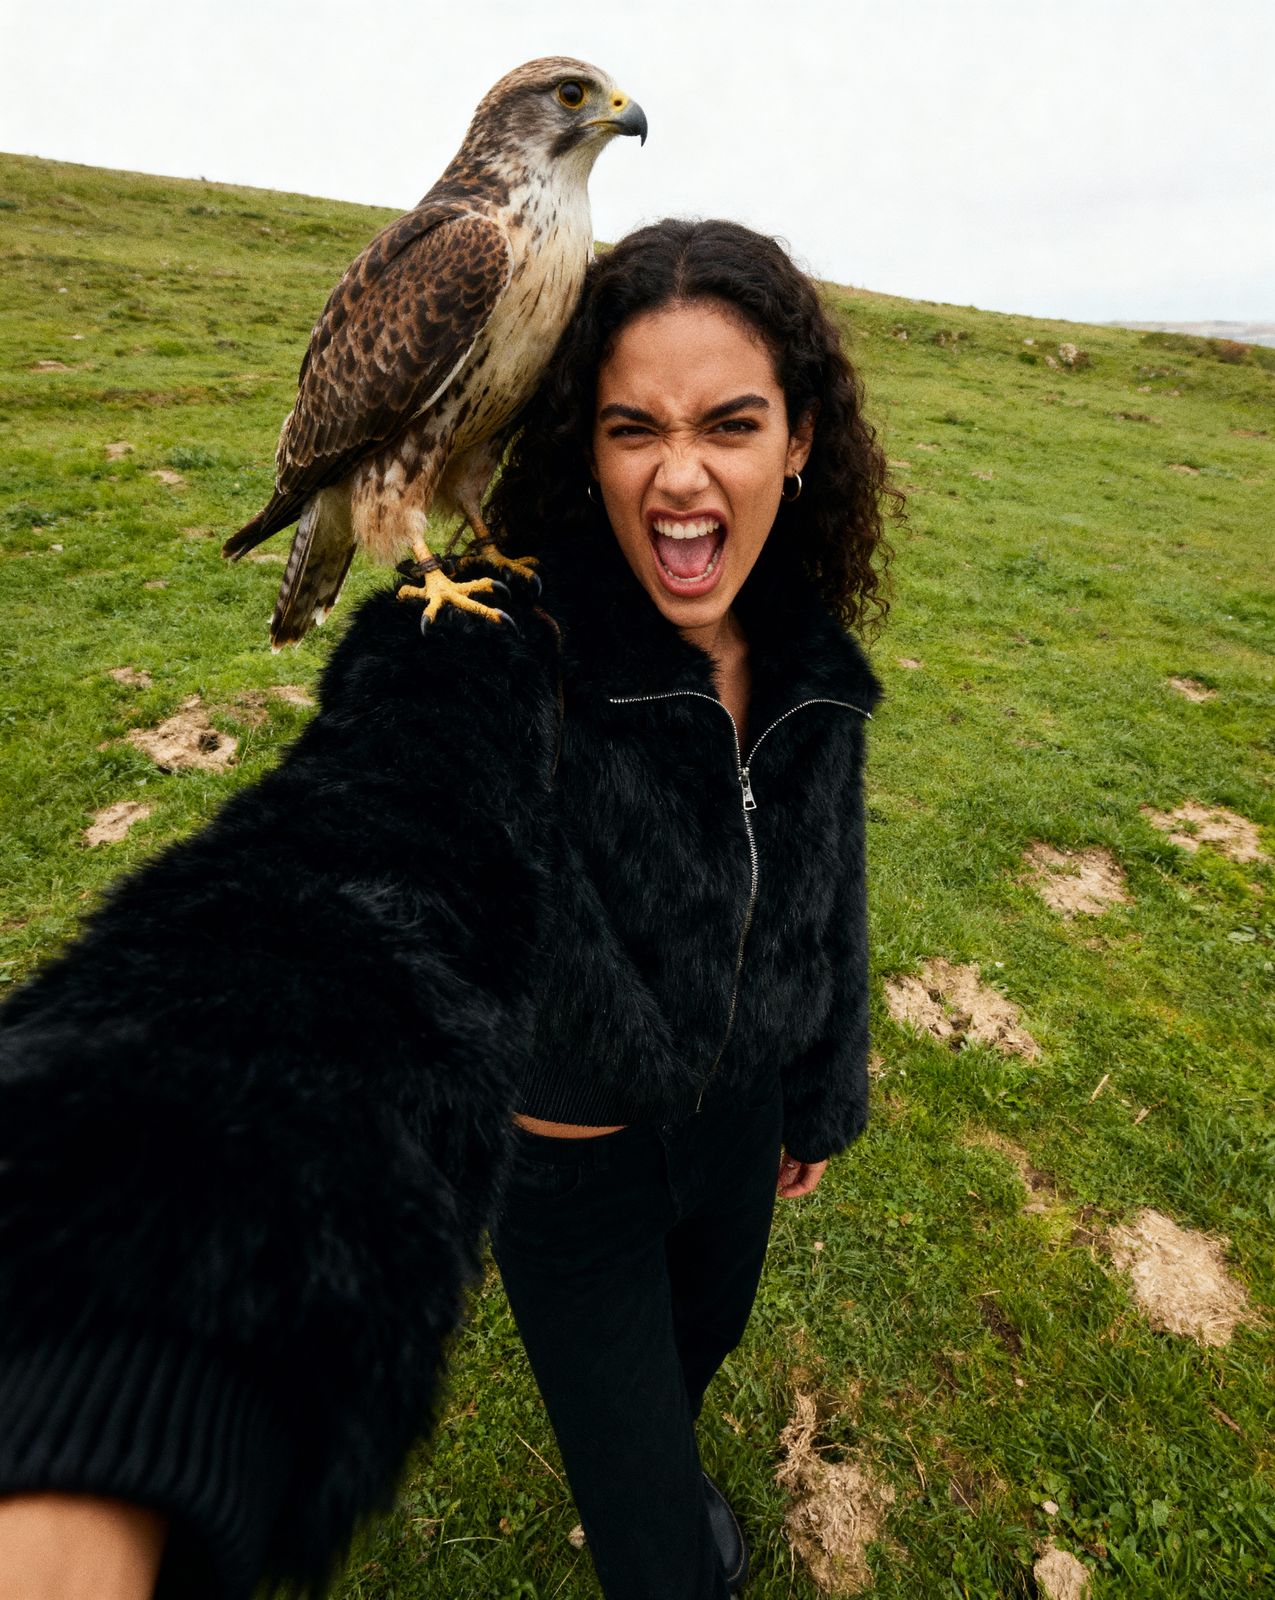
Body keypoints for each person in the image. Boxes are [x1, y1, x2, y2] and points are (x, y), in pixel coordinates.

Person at [0, 217, 893, 1600]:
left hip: (740, 1134)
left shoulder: (807, 659)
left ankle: (661, 1454)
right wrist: (101, 1356)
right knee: (669, 1561)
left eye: (729, 423)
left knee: (696, 1353)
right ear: (577, 441)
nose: (678, 475)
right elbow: (330, 901)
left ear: (800, 443)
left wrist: (822, 1088)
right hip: (574, 1176)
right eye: (628, 427)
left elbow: (827, 889)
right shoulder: (489, 638)